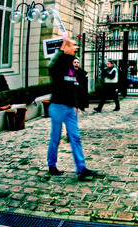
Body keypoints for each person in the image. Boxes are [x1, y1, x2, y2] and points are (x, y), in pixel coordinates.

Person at [47, 36, 97, 181]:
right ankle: (52, 165)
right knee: (55, 138)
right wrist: (62, 46)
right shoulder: (58, 65)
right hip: (57, 106)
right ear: (66, 47)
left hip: (69, 109)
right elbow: (51, 66)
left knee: (75, 138)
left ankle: (81, 168)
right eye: (73, 45)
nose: (76, 47)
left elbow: (77, 80)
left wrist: (76, 104)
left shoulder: (71, 65)